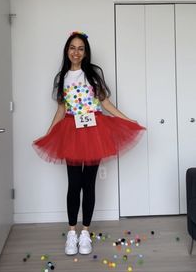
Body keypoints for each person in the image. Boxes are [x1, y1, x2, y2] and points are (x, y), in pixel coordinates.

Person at [32, 31, 145, 256]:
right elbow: (61, 110)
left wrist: (126, 119)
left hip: (94, 132)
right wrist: (49, 133)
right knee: (73, 185)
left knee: (89, 184)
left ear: (85, 52)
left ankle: (85, 233)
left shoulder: (93, 75)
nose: (76, 52)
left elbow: (105, 103)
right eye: (72, 48)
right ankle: (72, 233)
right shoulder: (62, 77)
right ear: (67, 51)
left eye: (81, 48)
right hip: (71, 132)